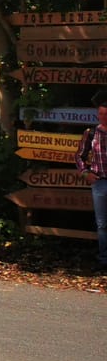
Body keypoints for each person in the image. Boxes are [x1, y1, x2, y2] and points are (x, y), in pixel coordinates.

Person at [75, 94, 107, 270]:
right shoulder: (91, 133)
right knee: (102, 224)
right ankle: (104, 259)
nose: (104, 117)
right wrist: (85, 172)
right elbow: (79, 155)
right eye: (101, 114)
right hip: (100, 182)